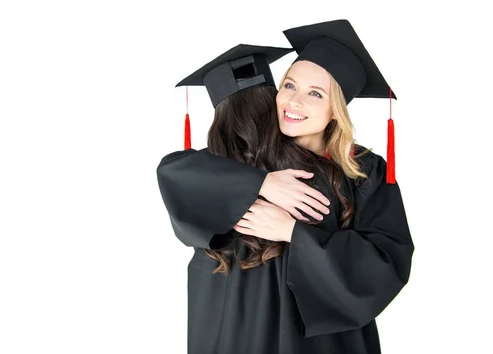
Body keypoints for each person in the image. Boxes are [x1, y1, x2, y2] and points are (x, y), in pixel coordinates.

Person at [157, 20, 414, 353]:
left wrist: (294, 233)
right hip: (241, 333)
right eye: (289, 86)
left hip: (319, 343)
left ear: (336, 110)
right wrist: (260, 183)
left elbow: (385, 263)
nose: (294, 101)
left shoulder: (363, 172)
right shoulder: (246, 155)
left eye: (315, 94)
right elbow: (175, 173)